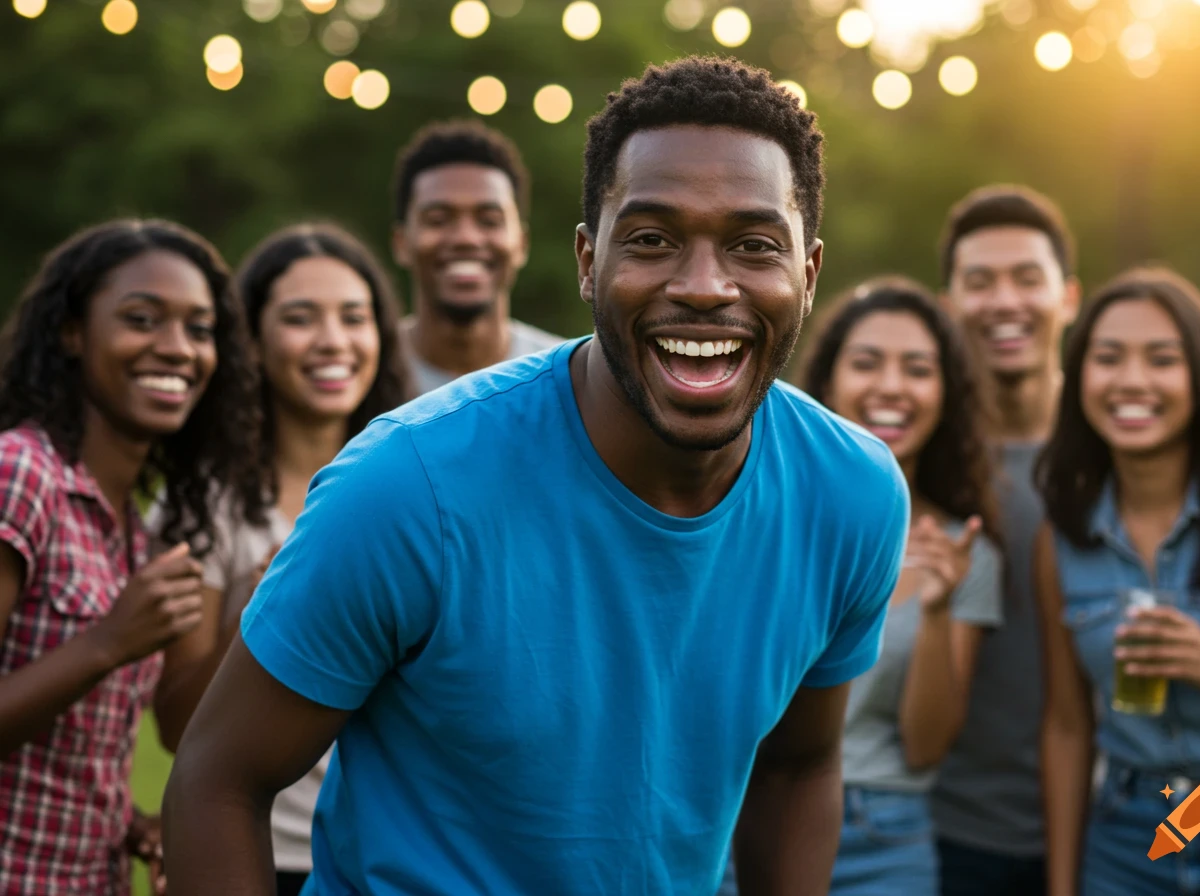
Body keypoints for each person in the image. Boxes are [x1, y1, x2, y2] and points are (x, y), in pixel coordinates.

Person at [161, 55, 911, 896]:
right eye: (654, 239)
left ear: (807, 274)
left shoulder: (853, 494)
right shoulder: (408, 484)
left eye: (753, 244)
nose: (705, 287)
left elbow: (798, 768)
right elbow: (217, 778)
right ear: (588, 262)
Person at [0, 219, 266, 895]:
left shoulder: (131, 528)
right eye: (142, 319)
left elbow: (71, 757)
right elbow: (98, 653)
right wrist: (108, 641)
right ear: (70, 332)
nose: (177, 349)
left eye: (200, 329)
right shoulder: (20, 476)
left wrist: (130, 823)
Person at [720, 276, 1004, 896]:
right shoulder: (759, 514)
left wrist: (936, 612)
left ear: (945, 394)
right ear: (828, 381)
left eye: (918, 369)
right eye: (868, 363)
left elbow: (926, 748)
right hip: (743, 817)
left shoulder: (967, 553)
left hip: (886, 836)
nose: (892, 387)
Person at [153, 223, 409, 896]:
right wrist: (257, 613)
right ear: (254, 342)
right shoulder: (208, 509)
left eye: (354, 318)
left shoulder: (412, 495)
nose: (333, 341)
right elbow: (178, 728)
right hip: (265, 855)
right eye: (301, 318)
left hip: (387, 853)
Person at [1036, 267, 1200, 896]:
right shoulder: (1061, 537)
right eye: (1108, 357)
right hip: (1131, 840)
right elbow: (1067, 726)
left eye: (1162, 359)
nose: (1132, 381)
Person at [930, 184, 1081, 896]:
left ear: (1069, 296)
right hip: (945, 834)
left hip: (1116, 825)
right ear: (950, 303)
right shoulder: (915, 465)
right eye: (979, 282)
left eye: (1027, 278)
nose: (1004, 302)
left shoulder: (1128, 453)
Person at [392, 119, 562, 394]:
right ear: (401, 243)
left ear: (521, 243)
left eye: (489, 220)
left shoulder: (566, 377)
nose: (465, 238)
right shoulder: (361, 373)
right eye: (438, 220)